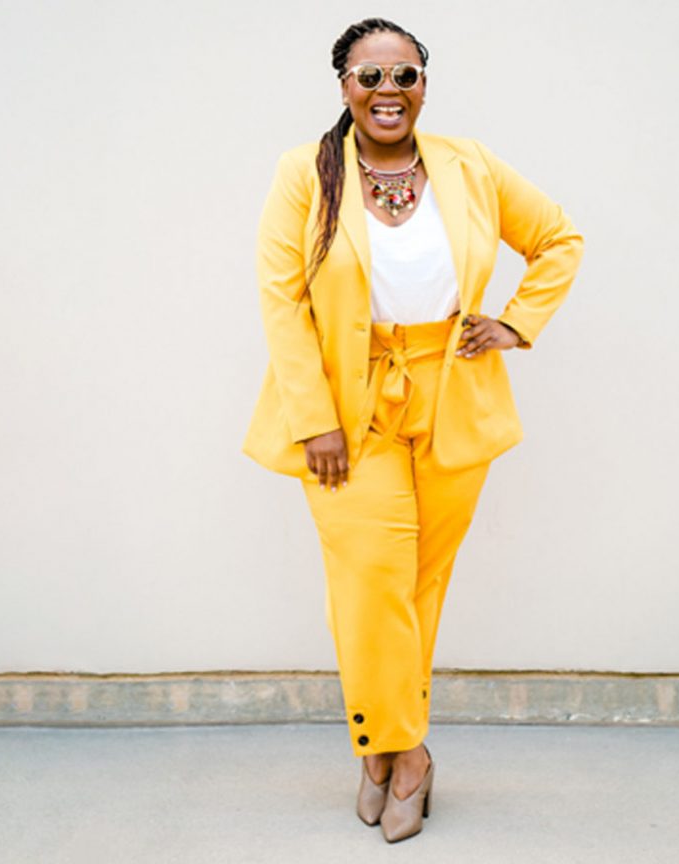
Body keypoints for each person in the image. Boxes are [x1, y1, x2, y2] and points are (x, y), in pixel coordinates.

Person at [242, 17, 583, 843]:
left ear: (424, 84)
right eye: (370, 76)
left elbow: (557, 241)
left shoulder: (469, 165)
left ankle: (383, 753)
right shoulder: (304, 173)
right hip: (347, 408)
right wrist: (314, 419)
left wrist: (514, 323)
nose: (388, 91)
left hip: (451, 396)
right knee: (371, 582)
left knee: (420, 586)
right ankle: (404, 750)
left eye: (405, 74)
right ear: (344, 87)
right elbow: (282, 302)